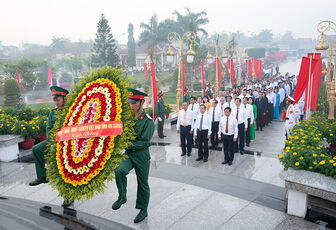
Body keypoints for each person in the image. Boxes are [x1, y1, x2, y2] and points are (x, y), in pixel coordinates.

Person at [112, 88, 155, 223]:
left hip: (141, 155)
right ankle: (122, 196)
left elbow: (144, 142)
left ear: (142, 102)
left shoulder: (147, 121)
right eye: (130, 103)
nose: (131, 105)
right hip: (129, 154)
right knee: (119, 170)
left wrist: (126, 144)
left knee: (143, 184)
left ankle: (143, 210)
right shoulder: (127, 118)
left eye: (134, 103)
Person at [29, 86, 73, 207]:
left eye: (58, 100)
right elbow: (48, 127)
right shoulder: (52, 113)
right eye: (55, 100)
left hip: (66, 143)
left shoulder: (70, 112)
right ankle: (42, 176)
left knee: (61, 168)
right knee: (36, 149)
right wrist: (51, 139)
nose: (56, 102)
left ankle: (68, 196)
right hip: (53, 140)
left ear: (64, 99)